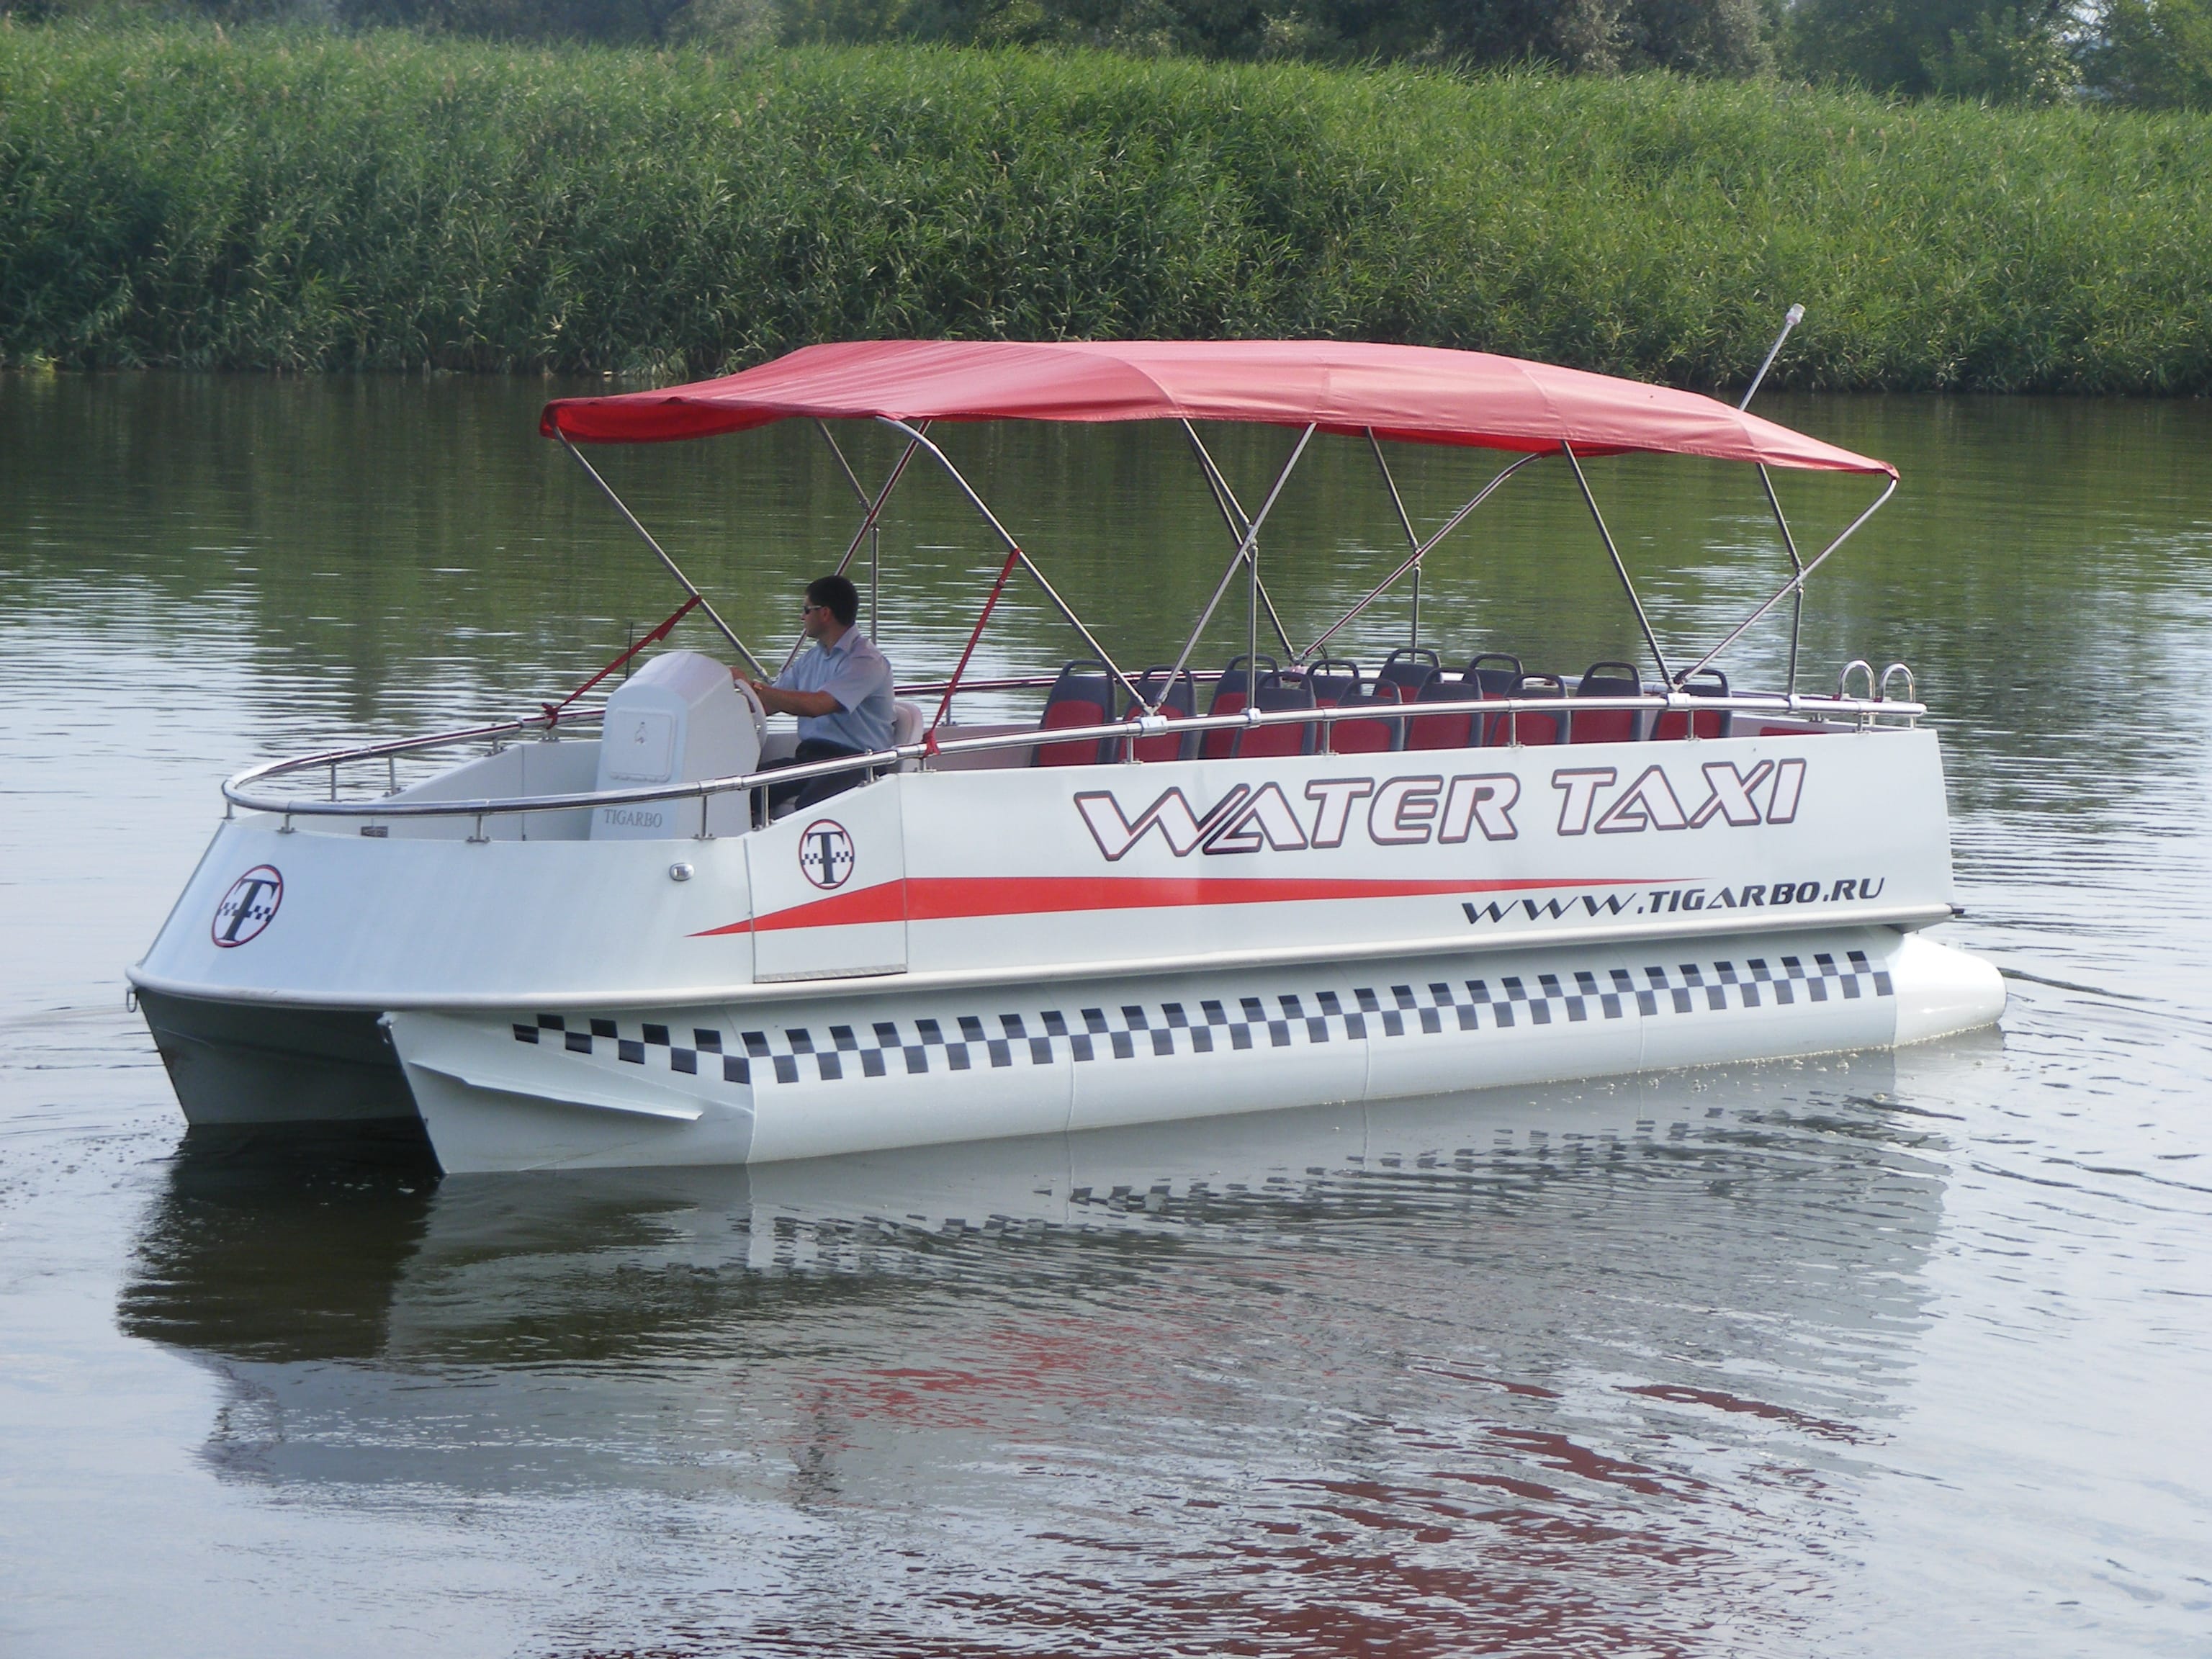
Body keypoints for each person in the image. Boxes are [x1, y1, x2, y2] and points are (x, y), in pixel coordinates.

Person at [739, 574, 895, 815]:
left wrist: (756, 687)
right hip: (813, 758)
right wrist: (732, 691)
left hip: (859, 762)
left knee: (811, 807)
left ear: (825, 613)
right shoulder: (812, 659)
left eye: (806, 609)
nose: (802, 616)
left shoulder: (866, 661)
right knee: (744, 788)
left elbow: (818, 705)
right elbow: (767, 704)